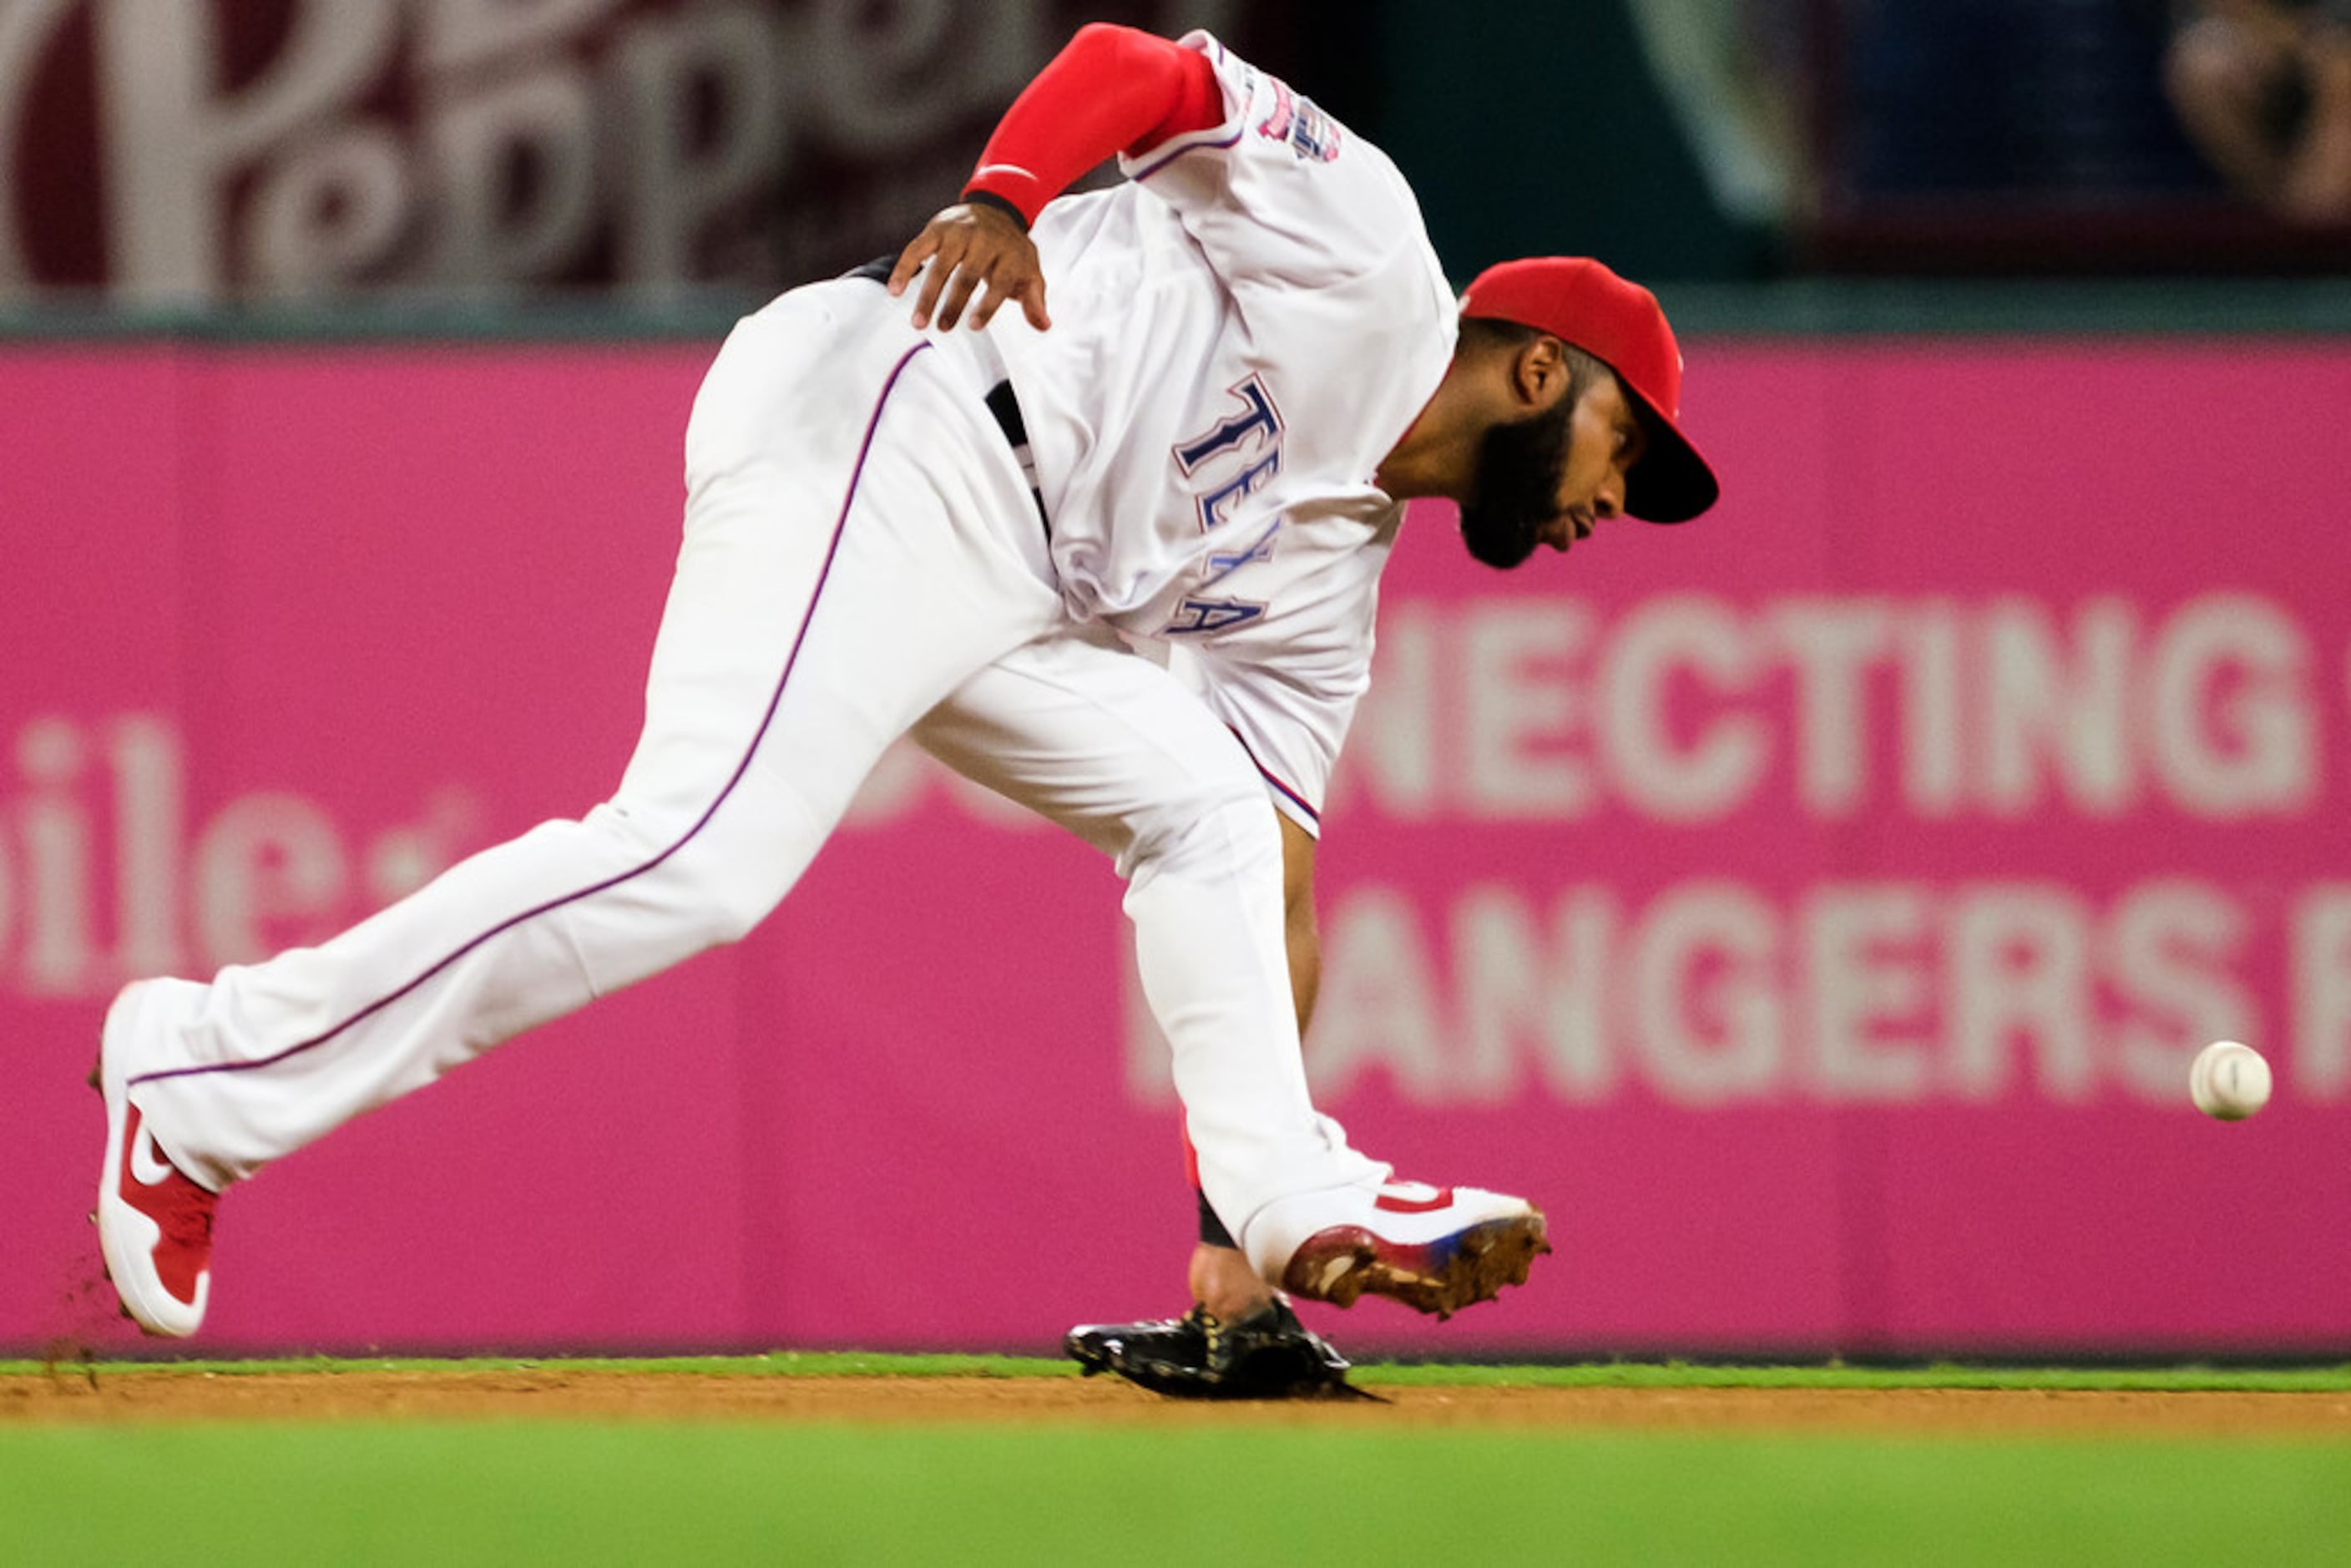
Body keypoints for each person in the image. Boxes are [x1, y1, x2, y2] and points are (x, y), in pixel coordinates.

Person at [92, 23, 1716, 1353]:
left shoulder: (1330, 588)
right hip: (908, 408)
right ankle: (202, 1074)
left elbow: (1270, 898)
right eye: (1619, 448)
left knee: (1210, 818)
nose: (1608, 504)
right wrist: (1006, 194)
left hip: (1003, 575)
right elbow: (1143, 69)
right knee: (695, 858)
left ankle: (1277, 1211)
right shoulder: (1376, 256)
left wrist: (1234, 1270)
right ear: (1534, 367)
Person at [2166, 0, 2351, 222]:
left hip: (2335, 39)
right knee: (2203, 66)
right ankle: (2282, 220)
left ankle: (2309, 229)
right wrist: (2288, 38)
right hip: (2289, 35)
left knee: (2341, 81)